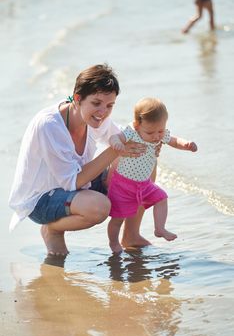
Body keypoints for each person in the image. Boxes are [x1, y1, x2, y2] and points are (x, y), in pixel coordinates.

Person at [8, 64, 147, 256]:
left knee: (142, 164)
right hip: (41, 199)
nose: (103, 112)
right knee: (99, 207)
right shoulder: (49, 126)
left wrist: (149, 139)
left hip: (77, 184)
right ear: (77, 98)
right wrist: (116, 152)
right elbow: (72, 182)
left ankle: (131, 235)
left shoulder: (97, 118)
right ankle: (52, 229)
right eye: (96, 103)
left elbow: (123, 137)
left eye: (109, 105)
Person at [107, 97, 198, 253]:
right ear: (137, 125)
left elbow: (174, 141)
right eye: (150, 132)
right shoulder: (131, 131)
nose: (156, 136)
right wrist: (116, 143)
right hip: (123, 185)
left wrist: (187, 144)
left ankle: (160, 228)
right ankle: (113, 242)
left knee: (161, 197)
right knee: (117, 218)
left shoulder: (160, 134)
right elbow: (115, 137)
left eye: (160, 131)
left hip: (144, 184)